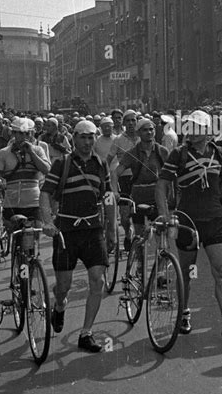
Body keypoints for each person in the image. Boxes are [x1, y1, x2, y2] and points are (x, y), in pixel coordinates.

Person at [156, 110, 222, 340]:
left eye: (198, 127)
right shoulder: (179, 154)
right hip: (188, 221)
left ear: (208, 131)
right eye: (190, 126)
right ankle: (184, 313)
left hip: (215, 219)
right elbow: (161, 185)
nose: (193, 132)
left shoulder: (219, 152)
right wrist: (165, 215)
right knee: (186, 273)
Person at [39, 120, 116, 352]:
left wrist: (112, 228)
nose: (87, 142)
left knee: (98, 280)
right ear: (74, 138)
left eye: (91, 137)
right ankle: (60, 307)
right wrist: (48, 221)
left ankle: (86, 333)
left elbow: (109, 197)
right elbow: (45, 193)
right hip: (67, 231)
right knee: (63, 286)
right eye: (82, 137)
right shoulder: (62, 164)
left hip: (93, 230)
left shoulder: (101, 164)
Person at [0, 117, 50, 229]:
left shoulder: (38, 150)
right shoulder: (3, 153)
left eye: (27, 133)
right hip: (11, 203)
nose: (24, 137)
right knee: (13, 235)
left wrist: (32, 153)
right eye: (20, 133)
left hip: (34, 202)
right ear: (13, 134)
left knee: (36, 234)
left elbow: (47, 170)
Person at [116, 117, 169, 235]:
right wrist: (115, 191)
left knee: (161, 233)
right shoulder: (132, 153)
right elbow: (115, 173)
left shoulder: (163, 152)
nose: (149, 132)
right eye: (145, 130)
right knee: (139, 235)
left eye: (151, 129)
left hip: (158, 197)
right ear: (138, 132)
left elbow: (172, 175)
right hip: (139, 197)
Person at [106, 109, 139, 250]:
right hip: (124, 179)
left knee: (140, 216)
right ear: (124, 123)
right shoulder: (118, 140)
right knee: (125, 217)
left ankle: (139, 246)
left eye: (133, 120)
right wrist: (108, 179)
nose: (131, 123)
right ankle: (127, 232)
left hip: (140, 180)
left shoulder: (143, 137)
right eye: (128, 121)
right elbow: (108, 159)